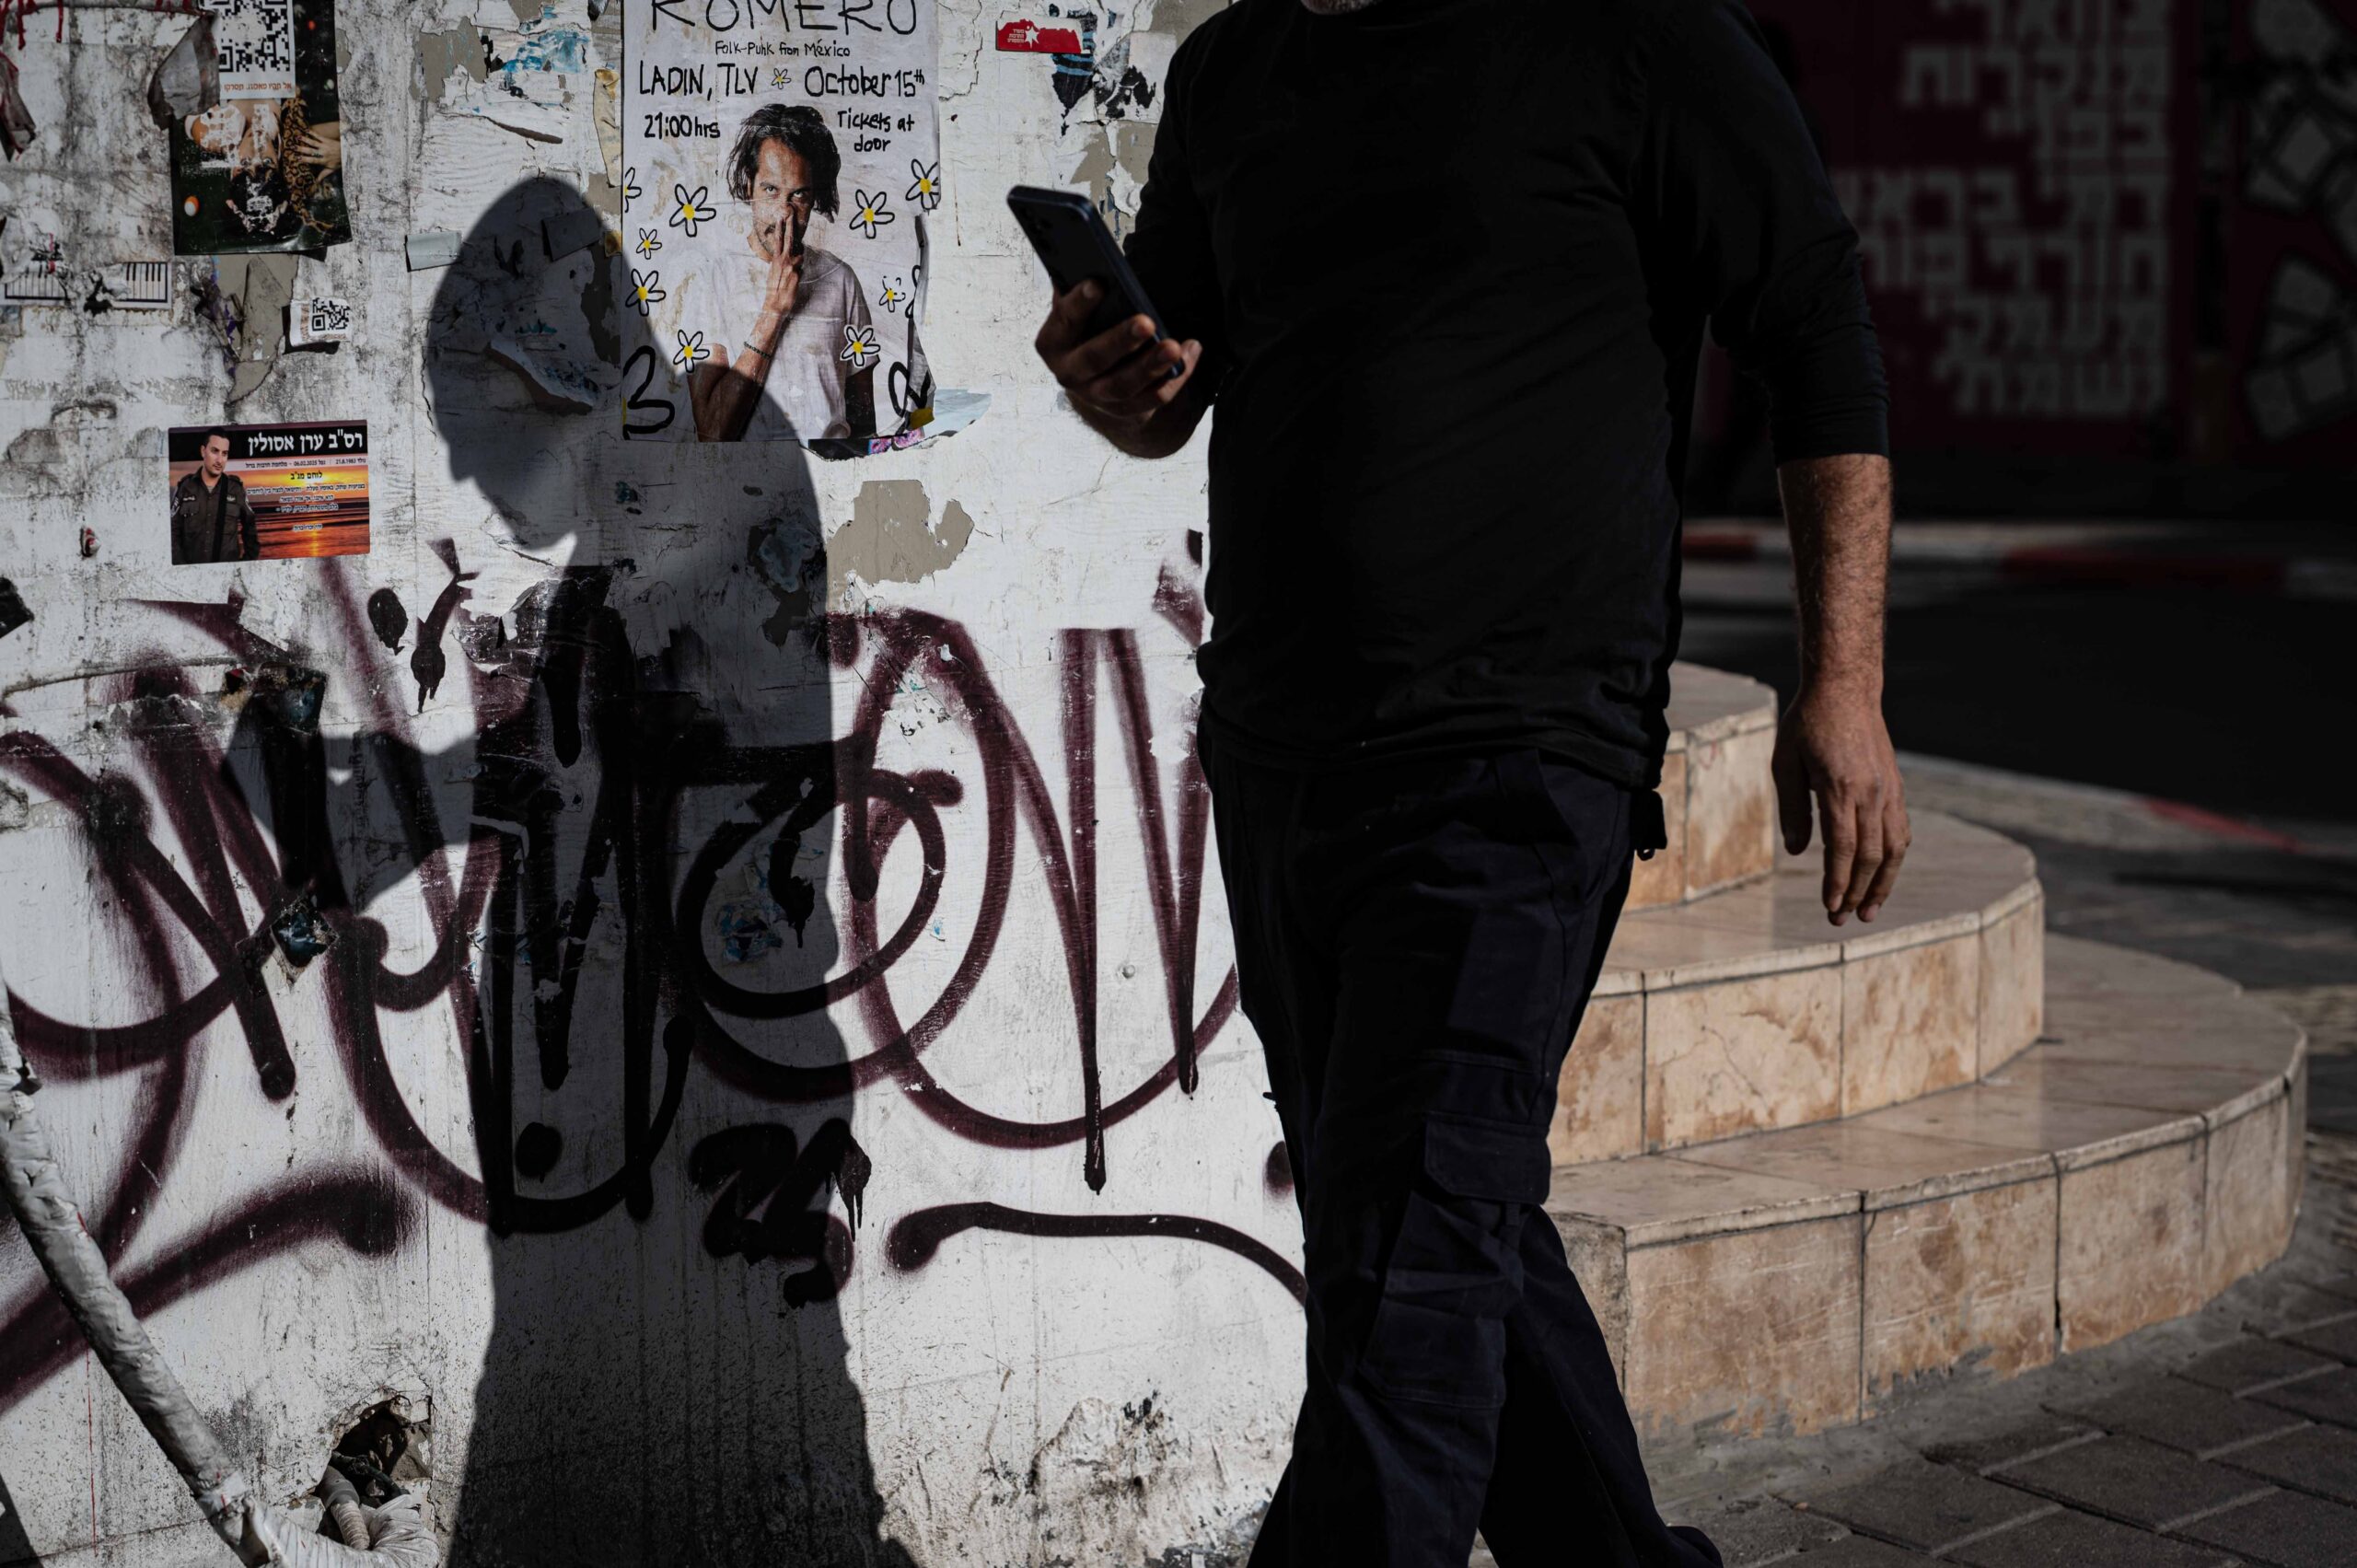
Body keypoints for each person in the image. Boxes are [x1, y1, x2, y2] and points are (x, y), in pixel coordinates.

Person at [1030, 0, 1910, 1563]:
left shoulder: (1639, 40)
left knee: (1406, 1294)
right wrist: (1116, 382)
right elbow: (1173, 386)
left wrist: (1843, 681)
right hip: (1283, 751)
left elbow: (1816, 326)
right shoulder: (1235, 68)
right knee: (1421, 1225)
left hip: (1521, 753)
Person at [692, 104, 877, 443]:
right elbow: (711, 432)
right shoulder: (712, 281)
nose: (784, 213)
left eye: (799, 195)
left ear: (814, 197)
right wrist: (773, 311)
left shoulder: (842, 280)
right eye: (770, 190)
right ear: (748, 186)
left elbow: (865, 428)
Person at [170, 428, 260, 563]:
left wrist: (247, 564)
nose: (219, 460)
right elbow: (172, 532)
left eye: (224, 454)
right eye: (215, 451)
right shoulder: (185, 487)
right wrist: (181, 567)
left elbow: (250, 529)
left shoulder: (235, 489)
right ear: (203, 451)